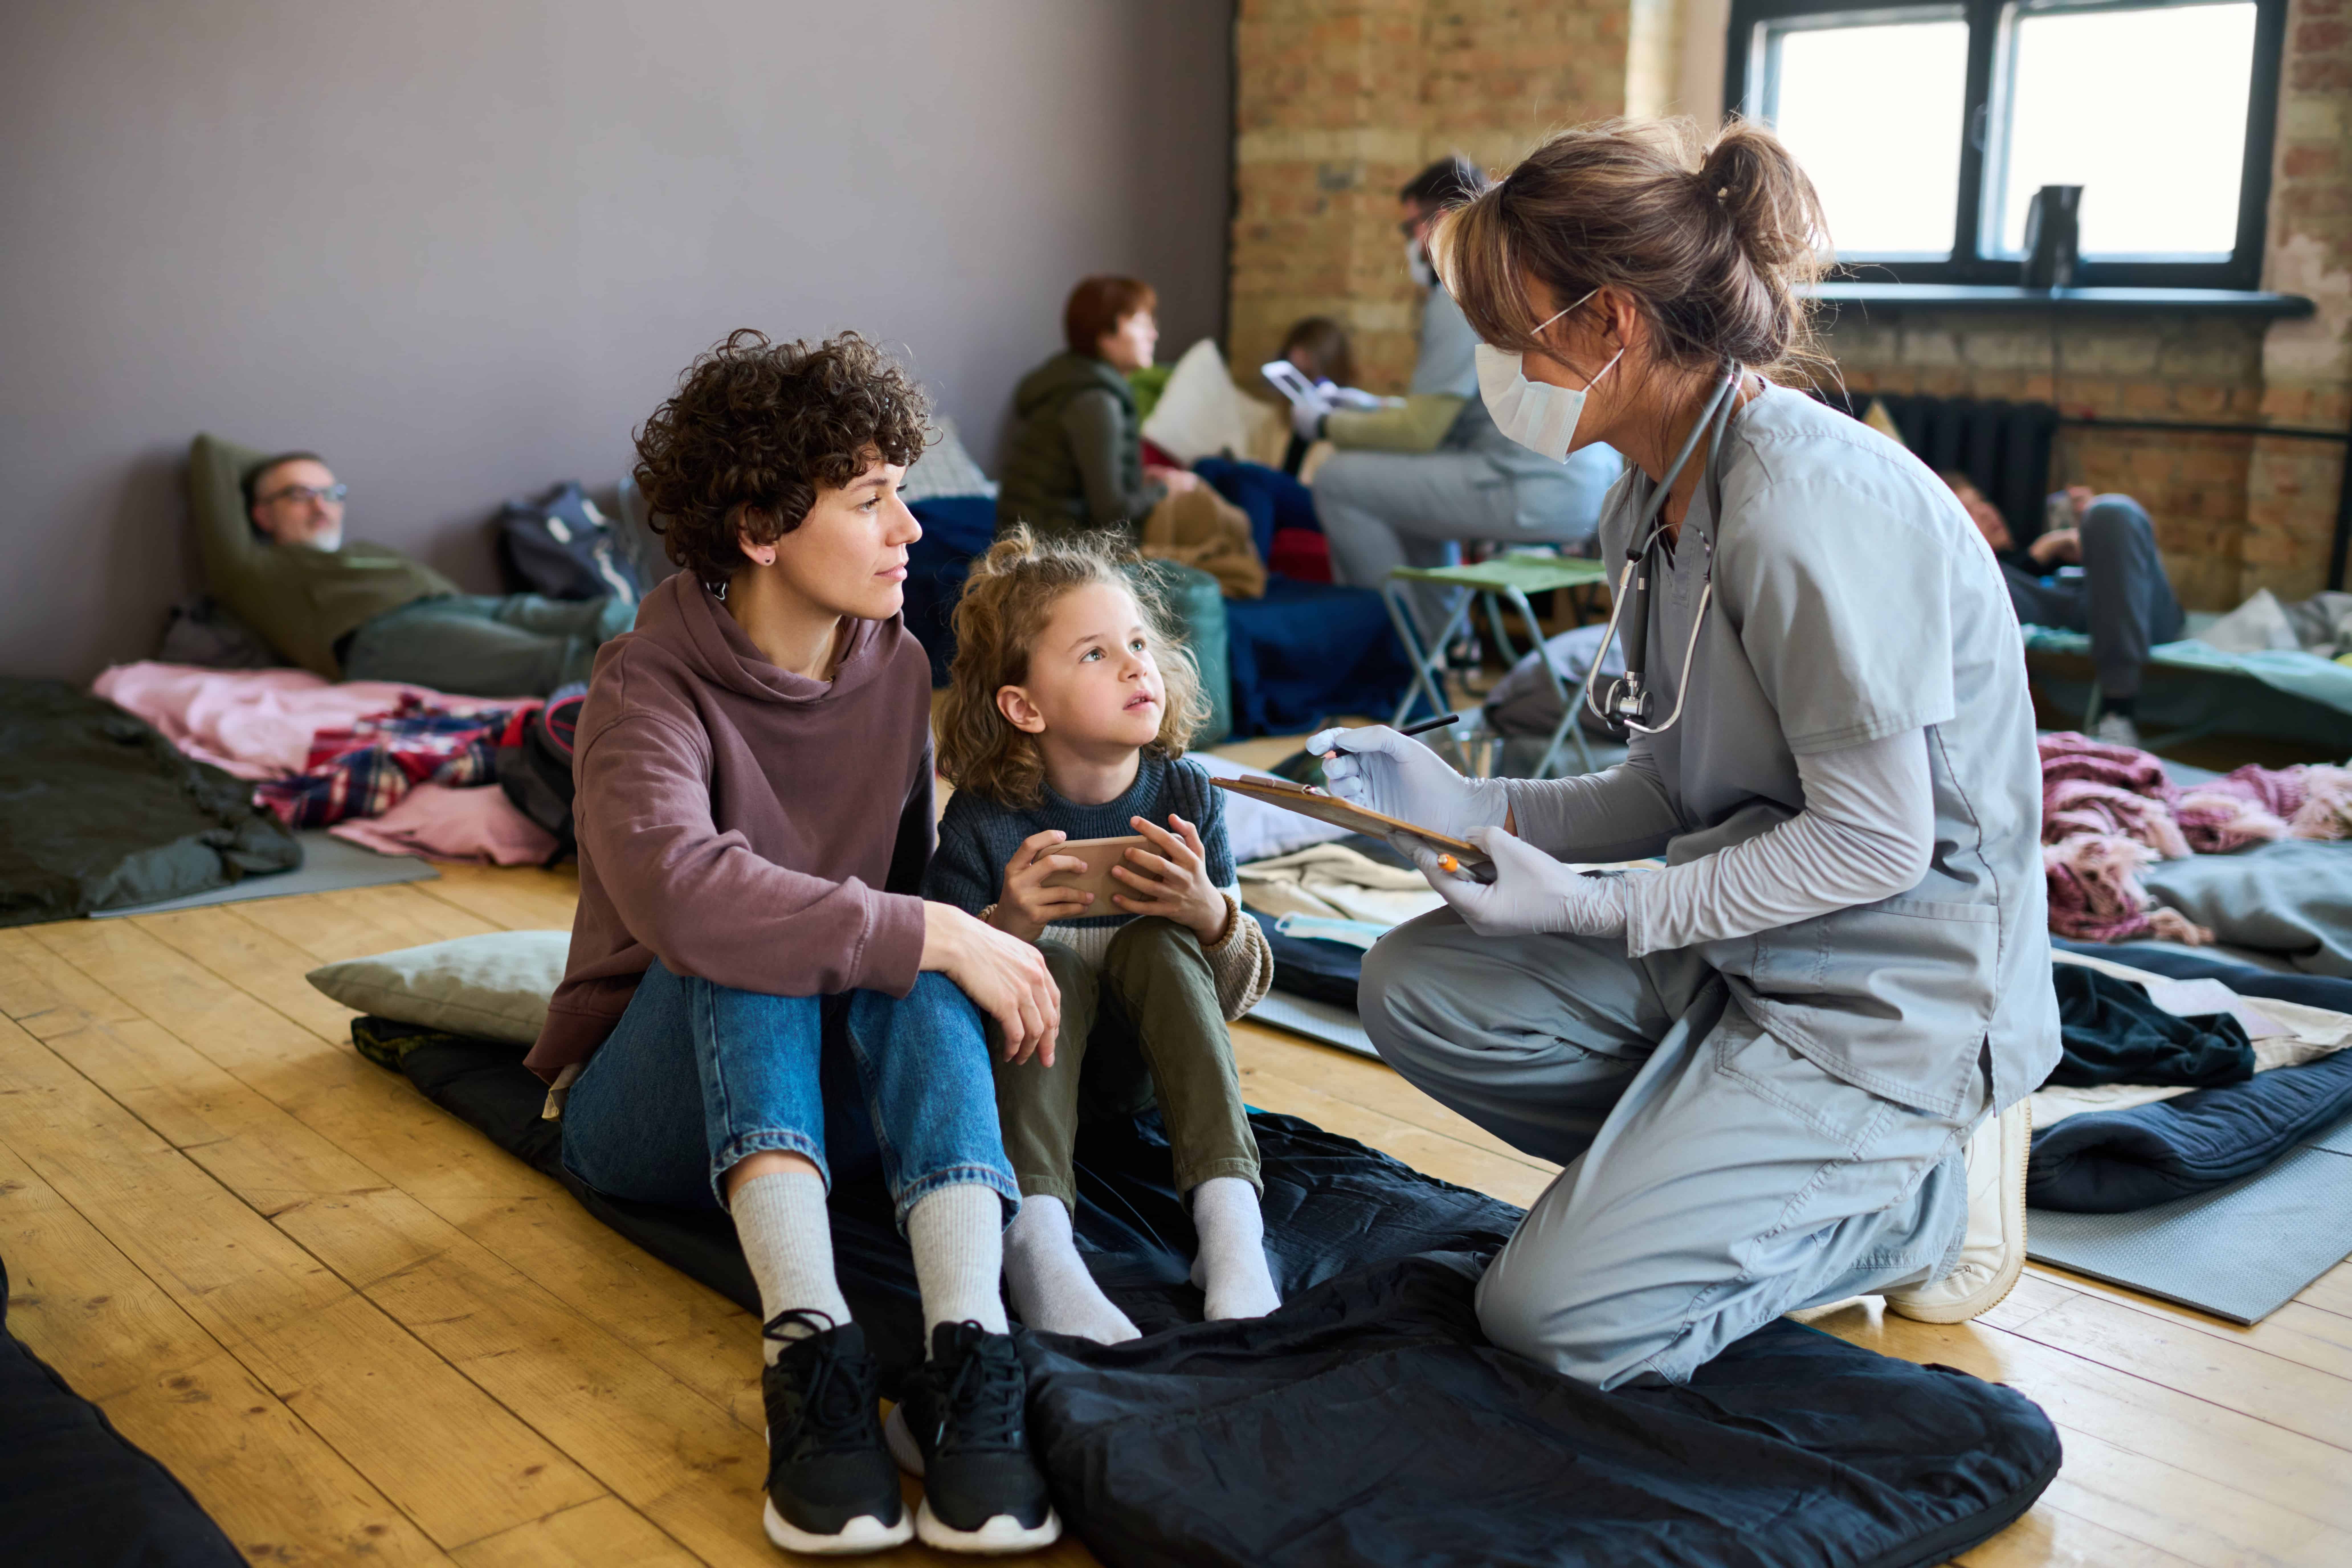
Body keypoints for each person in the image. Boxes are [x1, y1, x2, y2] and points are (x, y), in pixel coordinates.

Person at [1312, 120, 2056, 1391]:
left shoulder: (1807, 500)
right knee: (1414, 982)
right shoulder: (1648, 496)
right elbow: (1668, 784)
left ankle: (1906, 1203)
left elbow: (1878, 840)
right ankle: (1711, 1175)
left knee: (1553, 1322)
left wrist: (1606, 907)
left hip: (1885, 1003)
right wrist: (1470, 799)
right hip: (1745, 955)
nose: (1500, 364)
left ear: (1610, 325)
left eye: (1513, 328)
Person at [527, 330, 1062, 1555]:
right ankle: (809, 1352)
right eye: (871, 499)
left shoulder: (899, 664)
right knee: (754, 930)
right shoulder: (644, 684)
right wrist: (919, 927)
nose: (910, 528)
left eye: (900, 492)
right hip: (642, 1111)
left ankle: (969, 1347)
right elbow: (680, 895)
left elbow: (905, 908)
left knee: (914, 945)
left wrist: (1002, 928)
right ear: (764, 528)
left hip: (830, 1094)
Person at [928, 528, 1278, 1343]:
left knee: (1159, 944)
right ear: (1024, 706)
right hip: (1032, 1097)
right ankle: (1038, 1242)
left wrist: (1209, 915)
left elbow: (1239, 994)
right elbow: (942, 1022)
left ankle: (1231, 1233)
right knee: (1045, 959)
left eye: (1136, 643)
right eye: (1093, 654)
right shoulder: (983, 820)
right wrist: (1007, 928)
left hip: (1145, 1082)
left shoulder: (1186, 791)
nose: (1133, 665)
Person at [1303, 156, 1626, 642]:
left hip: (1530, 486)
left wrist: (1327, 426)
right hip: (1589, 484)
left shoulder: (1459, 289)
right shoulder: (1517, 272)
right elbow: (1452, 415)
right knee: (1399, 494)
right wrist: (1367, 407)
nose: (1410, 243)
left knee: (1335, 479)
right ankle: (1445, 647)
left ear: (1436, 222)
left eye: (1409, 226)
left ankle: (1394, 647)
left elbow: (1420, 432)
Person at [196, 448, 635, 695]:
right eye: (300, 494)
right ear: (261, 514)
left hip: (459, 607)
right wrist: (272, 467)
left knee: (612, 615)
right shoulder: (254, 569)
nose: (322, 505)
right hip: (385, 638)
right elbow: (210, 456)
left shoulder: (362, 552)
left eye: (331, 493)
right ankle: (675, 702)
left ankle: (690, 666)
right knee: (562, 661)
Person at [996, 276, 1264, 598]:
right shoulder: (1096, 402)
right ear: (1106, 335)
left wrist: (1147, 481)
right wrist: (1164, 488)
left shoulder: (1080, 384)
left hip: (1049, 533)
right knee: (1201, 506)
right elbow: (1111, 511)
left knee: (1202, 496)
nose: (1154, 334)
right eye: (1141, 323)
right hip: (1058, 547)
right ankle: (1255, 580)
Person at [1945, 473, 2183, 746]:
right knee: (1978, 572)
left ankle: (2118, 706)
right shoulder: (1985, 577)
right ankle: (2117, 712)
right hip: (2062, 611)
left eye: (1983, 501)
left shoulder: (2058, 553)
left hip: (2144, 613)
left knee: (2111, 512)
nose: (1985, 512)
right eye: (1967, 510)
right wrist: (2038, 556)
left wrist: (2101, 541)